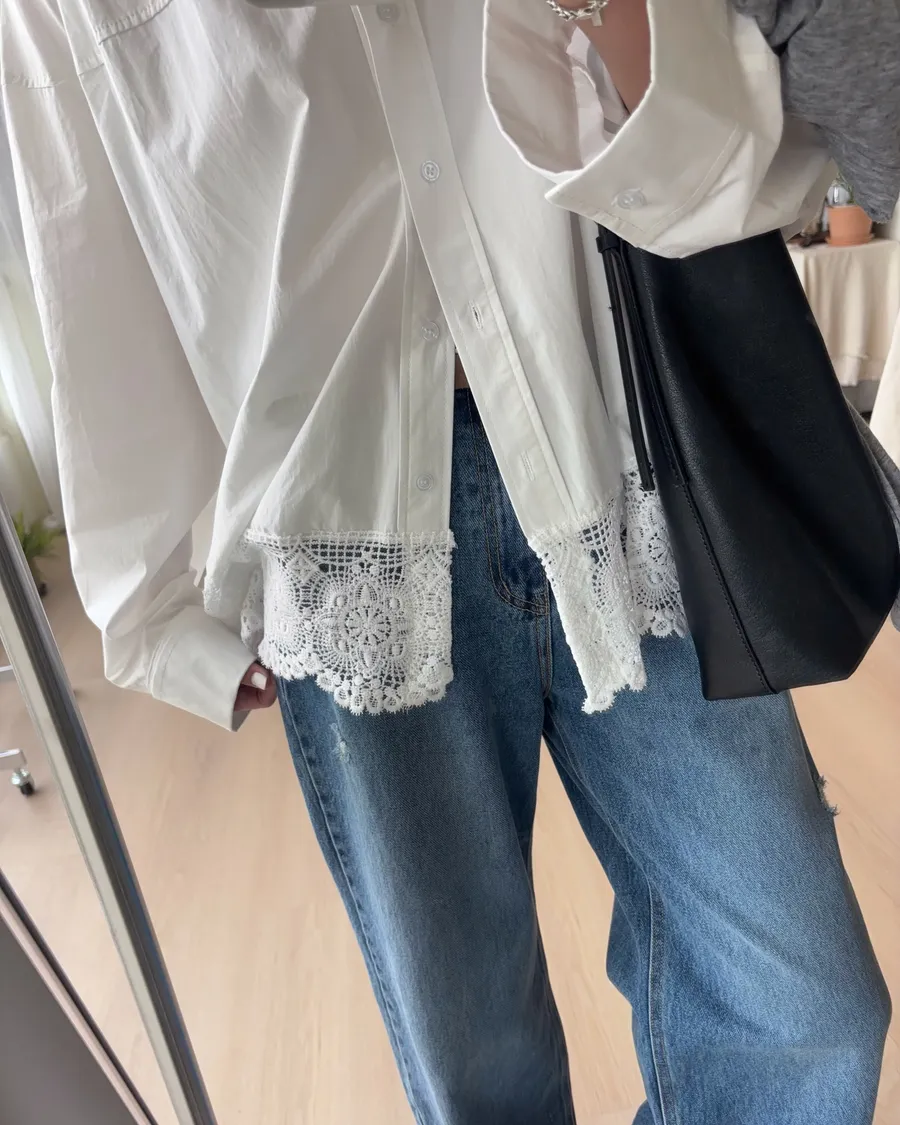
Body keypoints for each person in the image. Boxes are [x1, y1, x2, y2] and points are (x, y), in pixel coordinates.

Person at [2, 1, 894, 1122]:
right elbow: (84, 240)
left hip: (611, 448)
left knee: (804, 1011)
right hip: (349, 526)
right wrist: (155, 616)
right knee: (480, 1079)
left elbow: (730, 160)